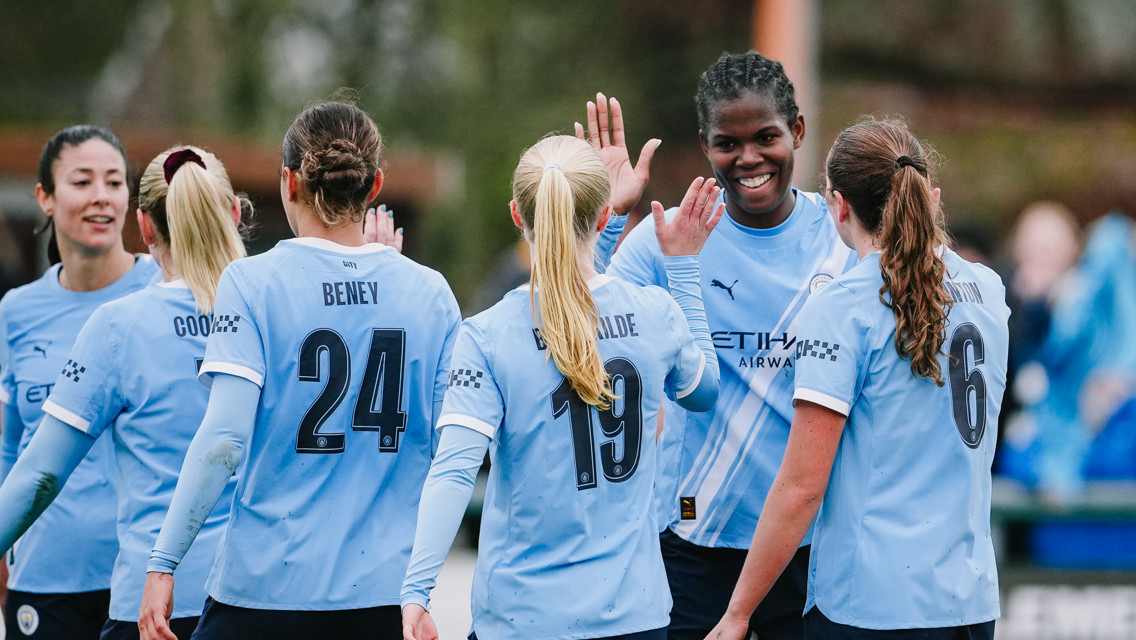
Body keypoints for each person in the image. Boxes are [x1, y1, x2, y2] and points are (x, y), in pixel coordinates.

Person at [138, 101, 461, 640]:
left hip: (264, 593)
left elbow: (223, 441)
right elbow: (453, 456)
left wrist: (163, 561)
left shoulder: (250, 283)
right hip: (387, 598)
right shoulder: (431, 294)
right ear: (375, 185)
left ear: (289, 182)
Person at [400, 133, 722, 640]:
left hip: (521, 621)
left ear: (516, 215)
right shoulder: (656, 313)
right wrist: (682, 265)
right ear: (602, 218)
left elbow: (455, 471)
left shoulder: (488, 333)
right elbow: (705, 393)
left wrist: (416, 592)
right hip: (634, 619)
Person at [707, 116, 1009, 639]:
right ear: (928, 198)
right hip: (969, 600)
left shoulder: (843, 306)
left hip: (872, 607)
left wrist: (738, 613)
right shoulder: (990, 289)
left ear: (838, 206)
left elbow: (802, 487)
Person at [591, 52, 856, 639]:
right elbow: (575, 305)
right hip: (694, 540)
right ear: (707, 146)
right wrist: (610, 216)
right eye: (728, 144)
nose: (749, 159)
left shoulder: (840, 239)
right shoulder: (674, 233)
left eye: (767, 137)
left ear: (798, 133)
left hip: (809, 542)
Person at [0, 145, 246, 640]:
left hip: (152, 609)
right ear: (235, 215)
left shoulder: (119, 326)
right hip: (257, 601)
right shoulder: (272, 316)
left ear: (145, 226)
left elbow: (41, 474)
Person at [0, 125, 160, 639]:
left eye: (114, 183)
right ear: (44, 197)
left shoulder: (169, 293)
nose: (101, 197)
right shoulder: (17, 311)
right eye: (82, 181)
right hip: (45, 577)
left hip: (146, 580)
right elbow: (10, 447)